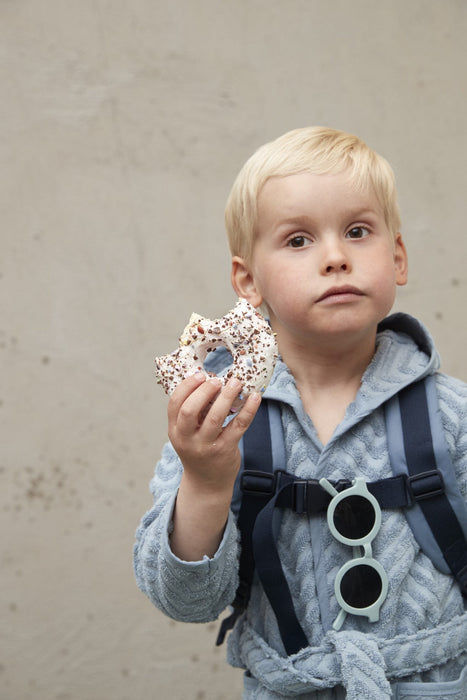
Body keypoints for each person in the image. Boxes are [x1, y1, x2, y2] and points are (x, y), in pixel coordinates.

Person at [134, 127, 467, 699]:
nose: (336, 257)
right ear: (247, 281)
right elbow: (186, 601)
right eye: (298, 241)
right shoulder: (222, 423)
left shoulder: (450, 415)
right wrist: (207, 482)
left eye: (358, 232)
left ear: (398, 256)